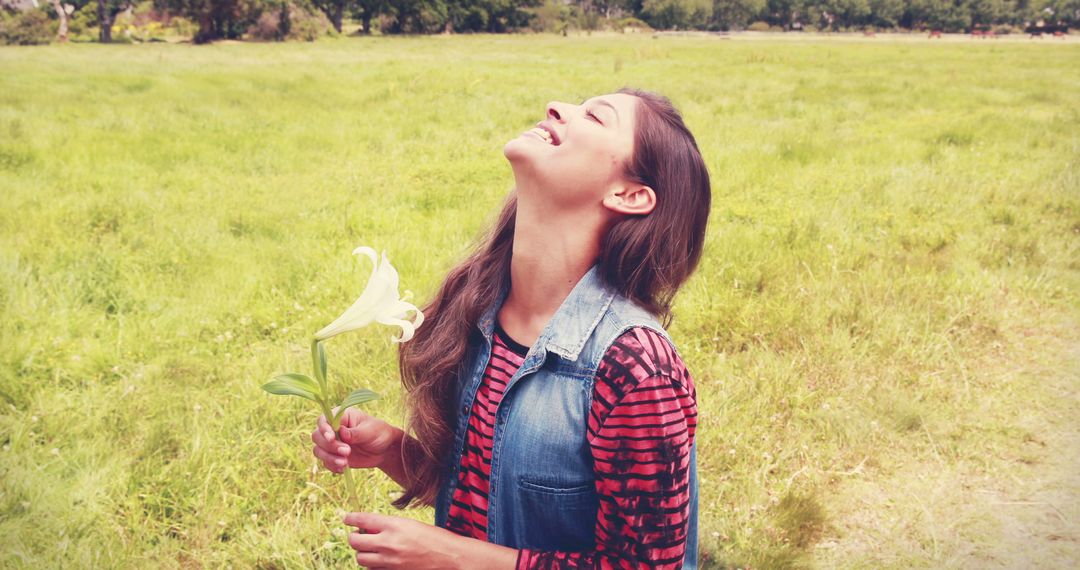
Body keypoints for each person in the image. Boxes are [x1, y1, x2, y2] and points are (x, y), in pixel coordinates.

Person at [310, 86, 712, 569]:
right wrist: (394, 451)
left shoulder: (636, 369)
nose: (558, 107)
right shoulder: (478, 314)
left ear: (628, 194)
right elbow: (490, 494)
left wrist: (447, 557)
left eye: (596, 117)